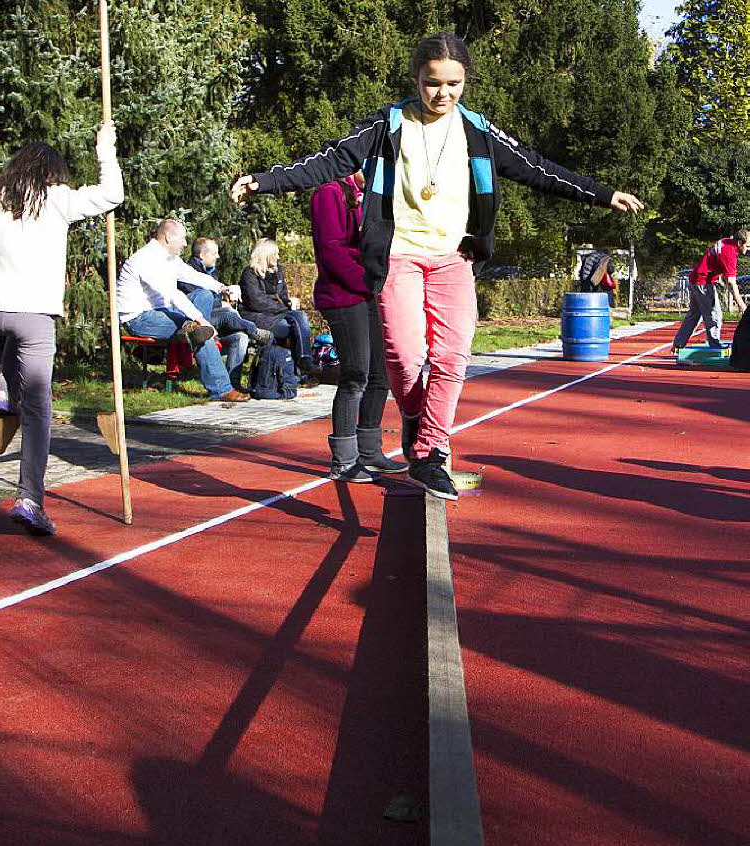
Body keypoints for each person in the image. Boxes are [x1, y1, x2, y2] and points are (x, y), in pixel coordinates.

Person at [231, 33, 644, 499]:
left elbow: (537, 168)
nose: (442, 94)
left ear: (465, 81)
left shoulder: (478, 132)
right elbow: (328, 160)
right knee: (405, 360)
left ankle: (428, 451)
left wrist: (603, 194)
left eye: (453, 84)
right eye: (433, 83)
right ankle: (414, 415)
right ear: (416, 79)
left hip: (454, 259)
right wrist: (264, 181)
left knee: (451, 358)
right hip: (399, 257)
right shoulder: (387, 127)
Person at [0, 119, 124, 536]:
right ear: (52, 175)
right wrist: (106, 147)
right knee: (39, 409)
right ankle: (30, 497)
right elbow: (112, 194)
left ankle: (4, 388)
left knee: (14, 350)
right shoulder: (58, 199)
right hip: (36, 314)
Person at [310, 172, 406, 482]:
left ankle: (370, 451)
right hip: (342, 295)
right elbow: (332, 251)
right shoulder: (329, 193)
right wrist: (369, 282)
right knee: (356, 375)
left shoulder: (375, 195)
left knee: (381, 374)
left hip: (369, 294)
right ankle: (344, 460)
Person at [116, 219, 249, 402]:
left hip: (163, 311)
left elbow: (192, 276)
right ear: (169, 237)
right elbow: (171, 294)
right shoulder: (145, 259)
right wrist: (200, 319)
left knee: (204, 295)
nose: (186, 243)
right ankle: (221, 389)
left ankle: (190, 332)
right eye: (183, 238)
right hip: (140, 319)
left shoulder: (169, 258)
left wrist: (221, 288)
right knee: (199, 330)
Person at [182, 237, 273, 388]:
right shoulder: (188, 273)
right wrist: (221, 303)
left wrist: (226, 296)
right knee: (228, 314)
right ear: (202, 255)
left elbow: (215, 297)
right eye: (214, 253)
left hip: (214, 322)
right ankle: (255, 331)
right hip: (196, 322)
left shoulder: (211, 272)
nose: (218, 256)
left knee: (241, 337)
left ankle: (232, 384)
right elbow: (198, 302)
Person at [238, 238, 318, 385]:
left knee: (299, 318)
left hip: (278, 313)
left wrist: (289, 302)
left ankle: (301, 364)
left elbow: (282, 296)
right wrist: (285, 307)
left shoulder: (278, 272)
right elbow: (257, 302)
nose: (278, 257)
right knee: (294, 327)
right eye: (275, 254)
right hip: (258, 316)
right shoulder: (249, 274)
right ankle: (301, 368)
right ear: (265, 254)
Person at [672, 230, 749, 351]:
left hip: (696, 279)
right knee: (715, 314)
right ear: (740, 243)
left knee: (694, 315)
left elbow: (714, 259)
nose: (748, 249)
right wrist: (742, 306)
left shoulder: (726, 241)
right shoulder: (730, 254)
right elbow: (731, 282)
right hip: (703, 282)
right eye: (748, 245)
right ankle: (714, 345)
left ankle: (678, 344)